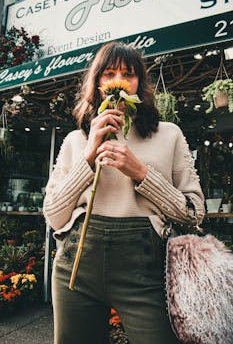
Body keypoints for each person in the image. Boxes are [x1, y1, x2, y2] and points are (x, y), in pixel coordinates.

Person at [43, 41, 205, 344]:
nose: (118, 81)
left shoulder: (168, 134)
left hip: (145, 268)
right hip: (76, 268)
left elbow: (194, 213)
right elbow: (53, 215)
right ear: (97, 82)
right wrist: (88, 157)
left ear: (139, 84)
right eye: (109, 73)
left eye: (128, 74)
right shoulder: (75, 140)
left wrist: (140, 172)